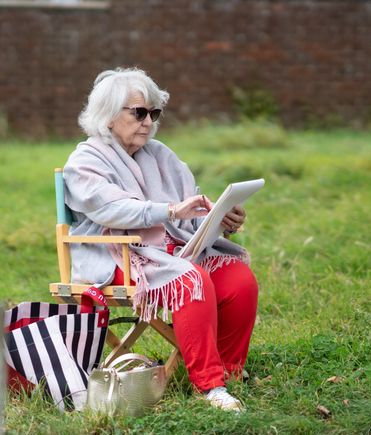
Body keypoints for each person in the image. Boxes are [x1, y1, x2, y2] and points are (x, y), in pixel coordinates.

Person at [63, 67, 258, 412]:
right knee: (188, 280)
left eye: (154, 113)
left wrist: (222, 218)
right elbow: (114, 210)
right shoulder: (84, 161)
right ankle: (210, 386)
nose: (148, 121)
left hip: (177, 248)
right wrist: (169, 211)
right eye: (138, 112)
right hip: (119, 257)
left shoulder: (161, 154)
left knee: (239, 280)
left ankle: (230, 372)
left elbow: (190, 206)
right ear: (108, 116)